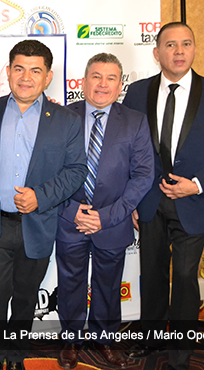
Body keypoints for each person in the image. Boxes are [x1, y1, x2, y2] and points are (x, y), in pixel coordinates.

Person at [123, 22, 204, 370]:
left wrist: (197, 184)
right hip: (149, 202)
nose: (179, 51)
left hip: (193, 202)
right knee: (151, 275)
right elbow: (128, 150)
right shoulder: (137, 92)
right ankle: (149, 340)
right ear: (156, 52)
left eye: (186, 44)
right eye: (170, 45)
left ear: (194, 49)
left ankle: (180, 352)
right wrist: (131, 199)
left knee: (184, 278)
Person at [0, 40, 87, 370]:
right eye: (19, 69)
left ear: (48, 76)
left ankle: (15, 356)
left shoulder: (67, 120)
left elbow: (76, 171)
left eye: (35, 70)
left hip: (38, 225)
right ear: (9, 71)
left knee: (26, 298)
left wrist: (40, 196)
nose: (26, 77)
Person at [56, 53, 154, 369]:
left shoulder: (135, 121)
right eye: (96, 76)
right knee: (70, 283)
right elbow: (48, 170)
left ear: (120, 85)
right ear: (84, 81)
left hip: (113, 222)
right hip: (70, 219)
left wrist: (108, 216)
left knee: (109, 285)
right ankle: (71, 339)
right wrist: (72, 210)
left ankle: (106, 339)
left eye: (110, 78)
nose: (102, 84)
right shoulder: (62, 117)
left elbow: (143, 175)